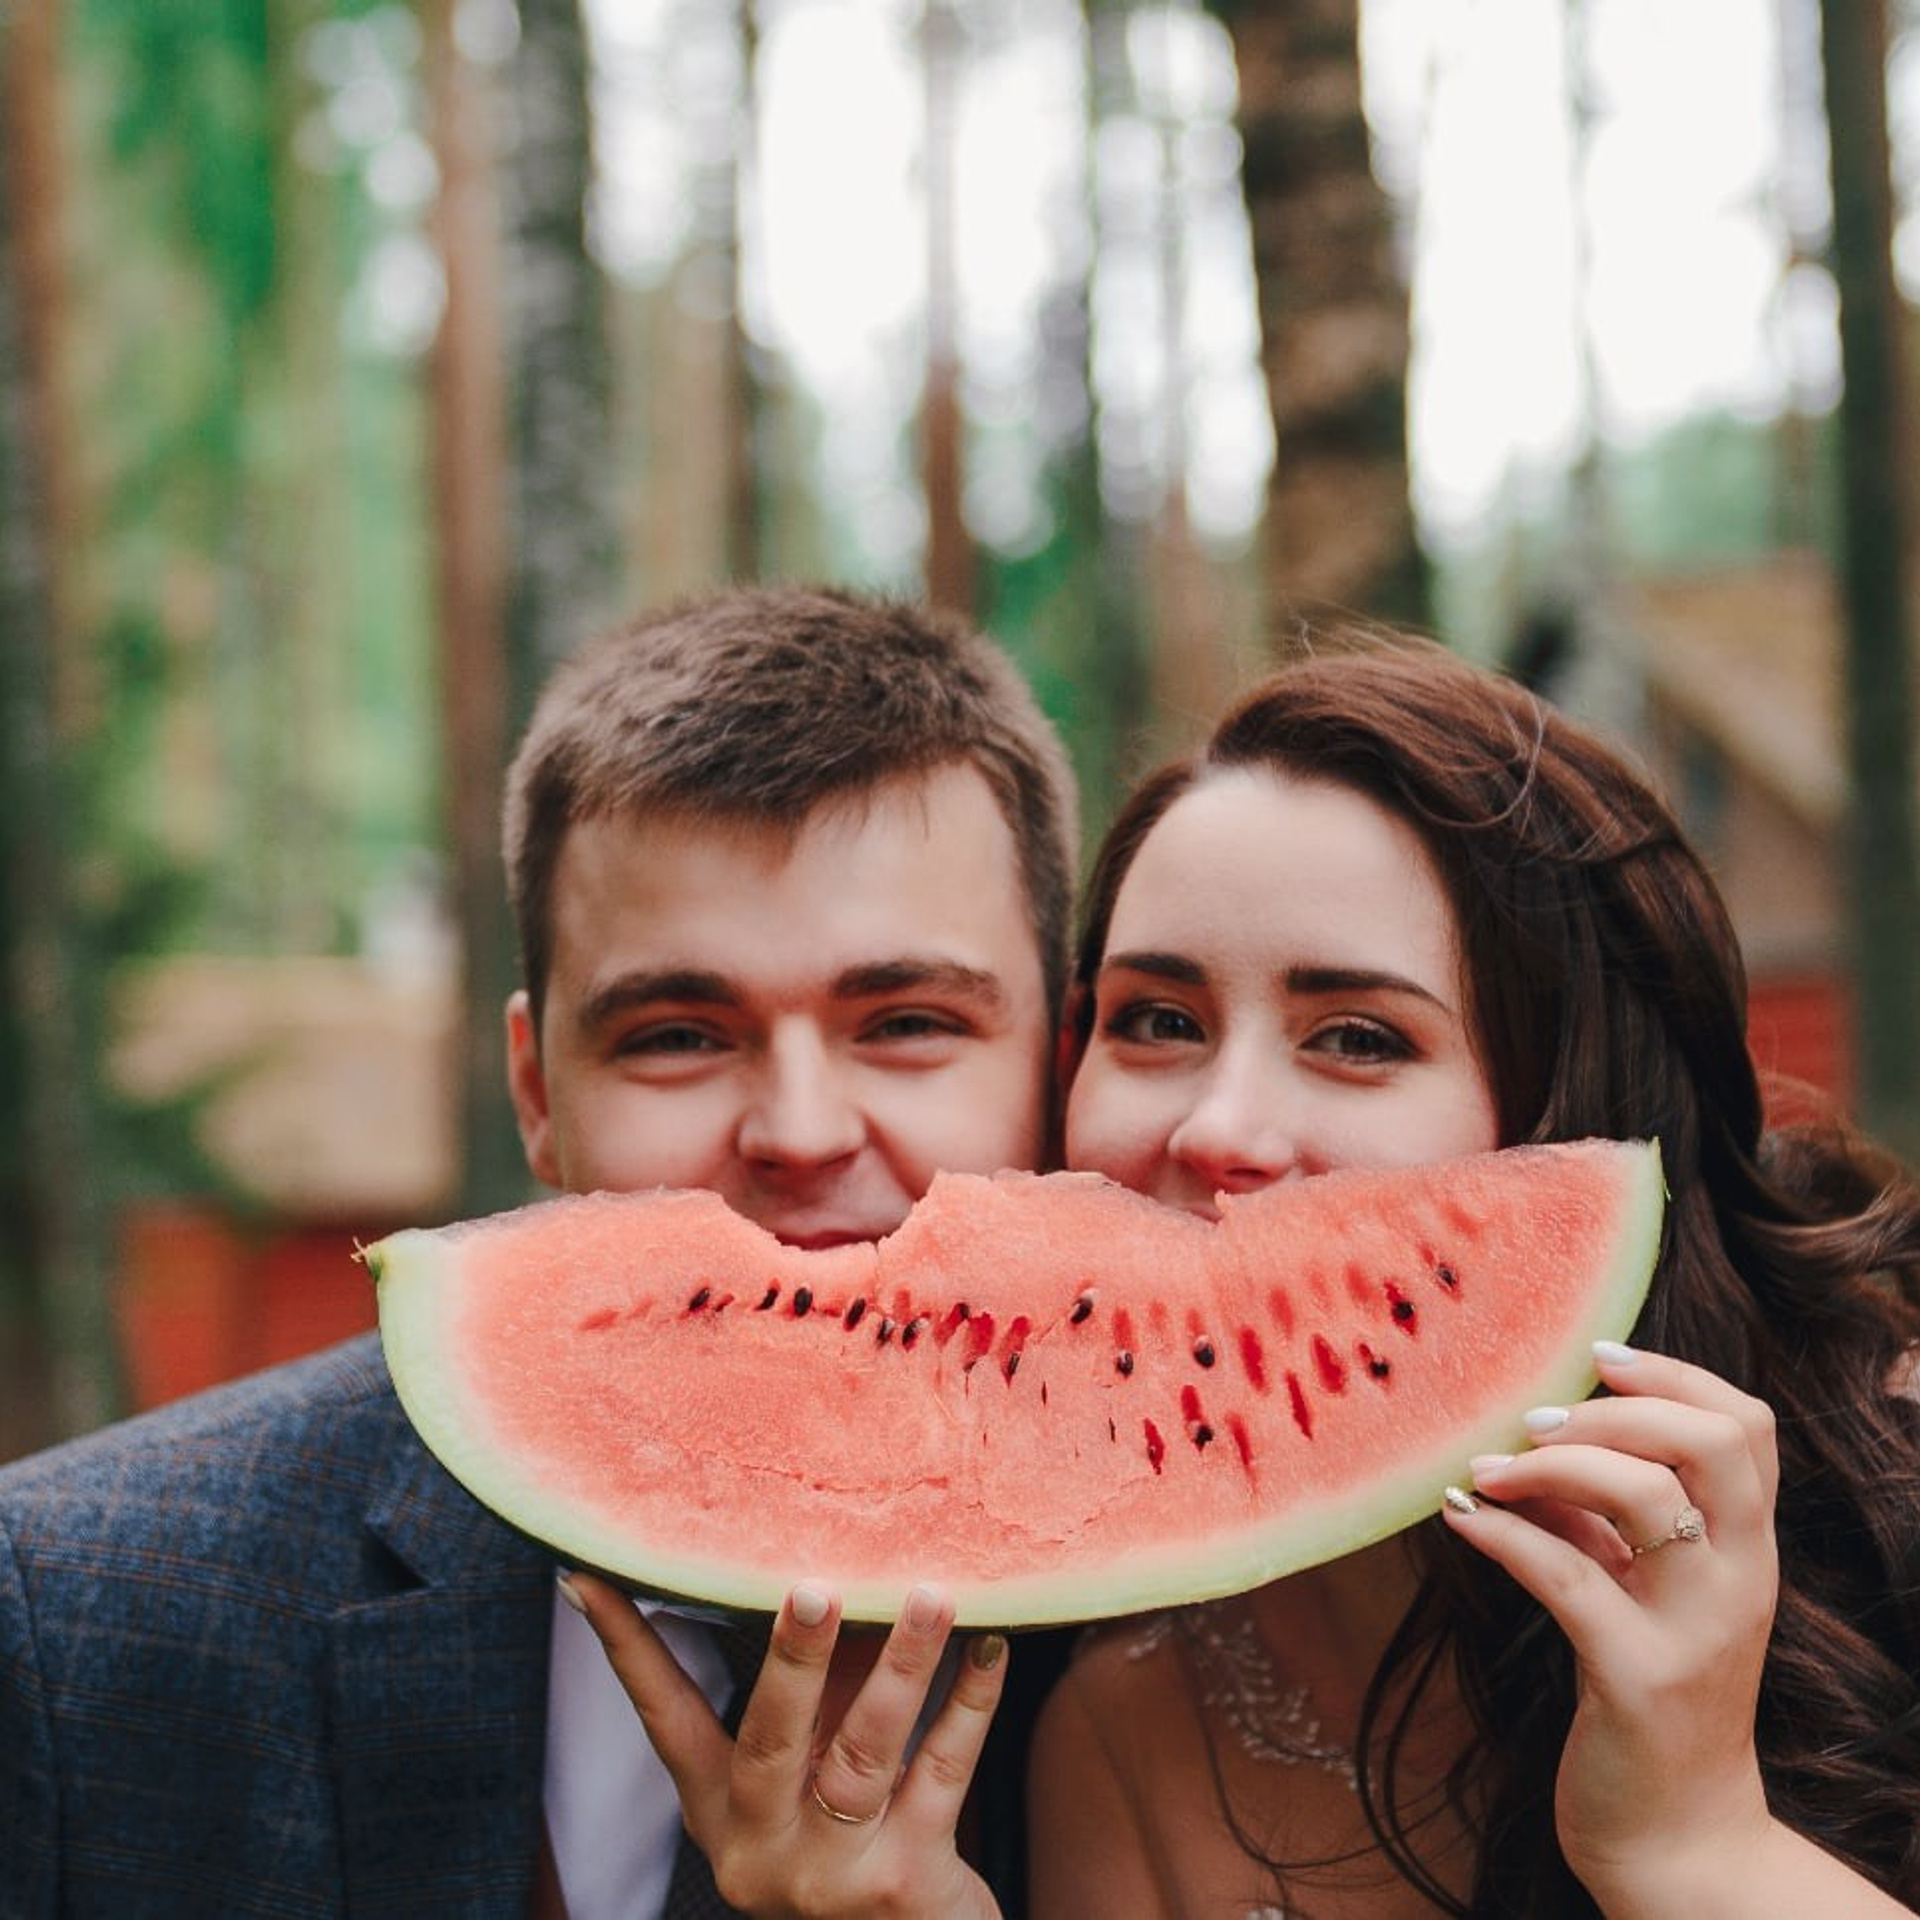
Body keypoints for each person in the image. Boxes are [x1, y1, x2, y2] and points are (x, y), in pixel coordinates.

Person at [570, 629, 1920, 1915]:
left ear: (1574, 1116)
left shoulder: (1894, 1513)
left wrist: (1698, 1850)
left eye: (1358, 1037)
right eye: (1159, 1021)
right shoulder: (1119, 1713)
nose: (1217, 1127)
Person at [0, 583, 1080, 1916]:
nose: (799, 1132)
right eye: (678, 1035)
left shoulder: (1219, 1653)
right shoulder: (67, 1613)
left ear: (1060, 1066)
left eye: (908, 1021)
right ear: (534, 1093)